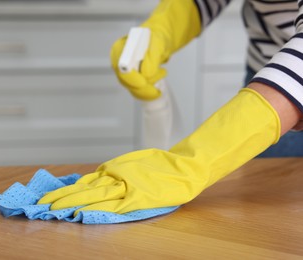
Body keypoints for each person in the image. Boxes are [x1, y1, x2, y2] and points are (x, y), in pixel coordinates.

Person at [37, 0, 303, 215]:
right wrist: (160, 32)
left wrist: (190, 163)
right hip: (268, 87)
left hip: (279, 93)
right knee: (265, 218)